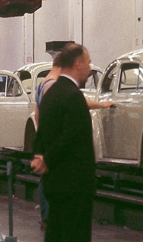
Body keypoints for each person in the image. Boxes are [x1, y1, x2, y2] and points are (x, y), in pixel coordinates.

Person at [31, 44, 105, 242]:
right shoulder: (72, 96)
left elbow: (42, 130)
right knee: (75, 241)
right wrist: (48, 157)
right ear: (76, 64)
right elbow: (70, 137)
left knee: (55, 241)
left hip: (55, 183)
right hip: (75, 181)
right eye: (87, 62)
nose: (89, 66)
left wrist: (39, 156)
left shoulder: (50, 93)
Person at [33, 47, 113, 229]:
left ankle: (48, 217)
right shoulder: (55, 86)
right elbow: (71, 123)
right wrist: (101, 105)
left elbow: (38, 115)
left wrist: (41, 145)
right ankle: (48, 218)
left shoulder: (43, 84)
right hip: (63, 160)